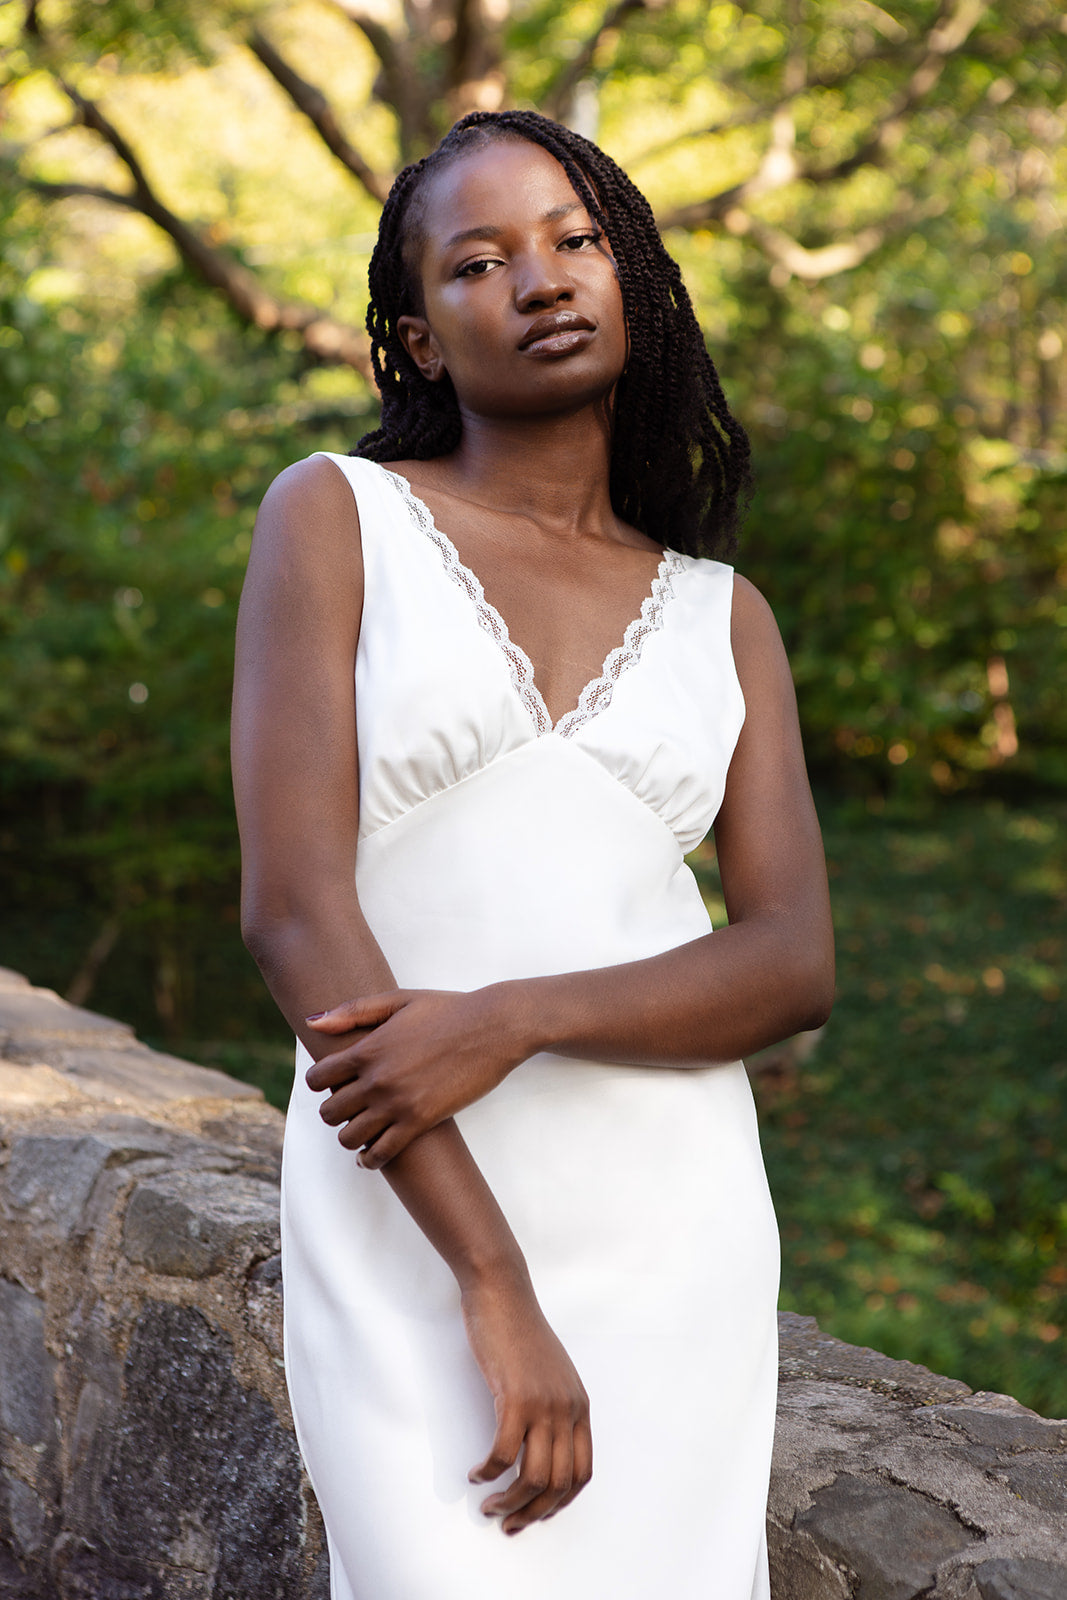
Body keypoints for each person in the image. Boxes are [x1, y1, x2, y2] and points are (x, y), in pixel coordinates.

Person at [231, 109, 834, 1600]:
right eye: (480, 260)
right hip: (411, 1203)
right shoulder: (337, 517)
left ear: (631, 275)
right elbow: (295, 913)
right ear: (422, 336)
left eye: (575, 240)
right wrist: (492, 1283)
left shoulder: (721, 613)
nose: (542, 279)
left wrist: (511, 1018)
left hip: (671, 1216)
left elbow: (789, 962)